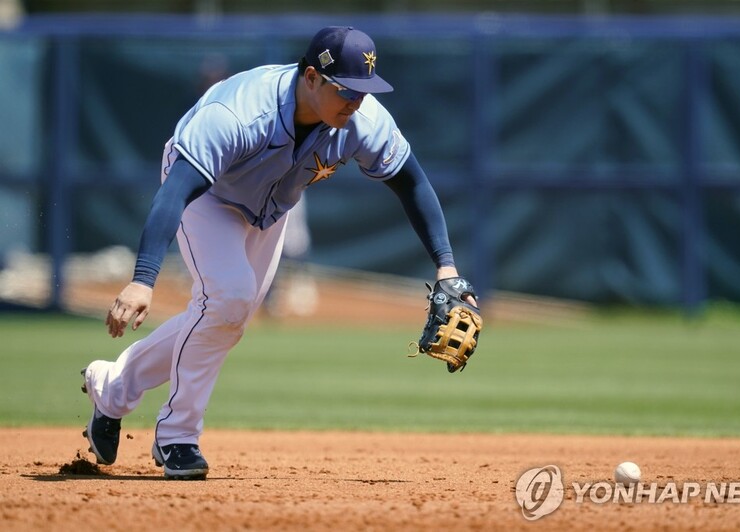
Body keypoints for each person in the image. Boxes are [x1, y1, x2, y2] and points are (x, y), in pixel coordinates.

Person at [81, 26, 476, 480]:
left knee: (224, 317)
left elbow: (412, 182)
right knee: (227, 300)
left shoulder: (363, 121)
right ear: (311, 78)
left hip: (269, 207)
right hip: (207, 195)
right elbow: (175, 193)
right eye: (347, 91)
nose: (357, 102)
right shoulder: (239, 113)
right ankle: (177, 438)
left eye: (366, 91)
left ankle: (112, 387)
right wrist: (143, 278)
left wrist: (446, 266)